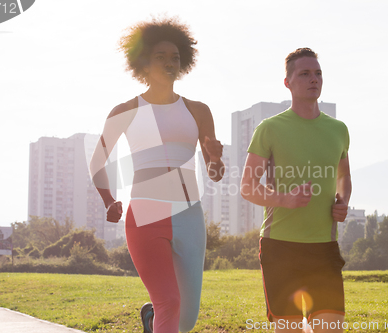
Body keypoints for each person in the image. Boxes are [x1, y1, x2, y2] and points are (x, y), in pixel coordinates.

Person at [89, 17, 224, 333]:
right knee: (169, 303)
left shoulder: (198, 111)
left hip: (189, 214)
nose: (169, 63)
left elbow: (215, 174)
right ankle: (158, 314)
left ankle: (151, 320)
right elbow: (98, 160)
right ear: (144, 62)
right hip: (146, 213)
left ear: (183, 63)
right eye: (161, 56)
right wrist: (109, 200)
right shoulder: (125, 110)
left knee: (186, 318)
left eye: (175, 57)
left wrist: (216, 158)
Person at [240, 48, 351, 333]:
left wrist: (343, 202)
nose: (313, 79)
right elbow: (247, 187)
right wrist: (284, 199)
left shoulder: (338, 129)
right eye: (304, 74)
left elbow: (344, 178)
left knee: (331, 329)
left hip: (324, 248)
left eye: (318, 73)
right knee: (288, 329)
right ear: (287, 82)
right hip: (281, 247)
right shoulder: (270, 129)